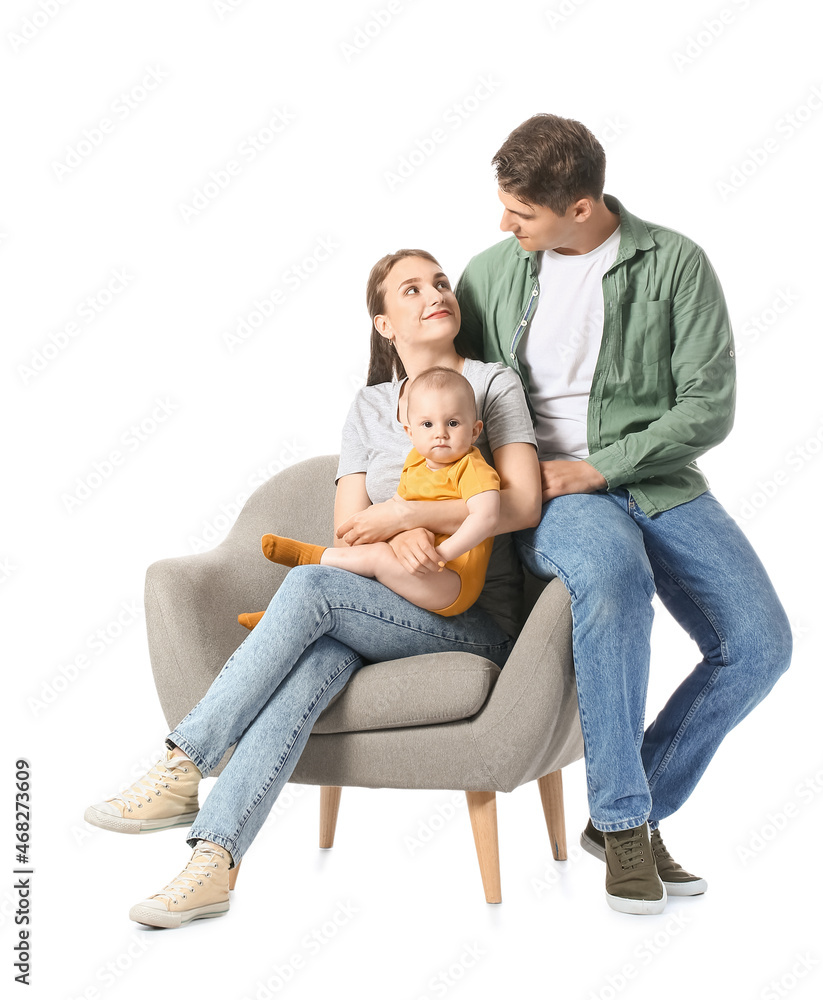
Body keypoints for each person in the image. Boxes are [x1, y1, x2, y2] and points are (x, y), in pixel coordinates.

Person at [84, 249, 540, 928]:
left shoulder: (491, 385)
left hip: (467, 614)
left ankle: (184, 762)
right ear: (385, 324)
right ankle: (214, 862)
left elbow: (520, 504)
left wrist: (409, 514)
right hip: (383, 604)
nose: (434, 294)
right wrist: (389, 539)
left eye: (440, 282)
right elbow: (349, 530)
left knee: (312, 588)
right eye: (410, 289)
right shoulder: (369, 408)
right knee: (314, 661)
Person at [455, 114, 792, 915]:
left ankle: (627, 813)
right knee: (612, 579)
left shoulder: (673, 263)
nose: (505, 226)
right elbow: (452, 393)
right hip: (548, 496)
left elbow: (707, 407)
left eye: (521, 214)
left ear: (580, 207)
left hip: (657, 481)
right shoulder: (487, 273)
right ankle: (623, 819)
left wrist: (603, 464)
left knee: (759, 644)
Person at [240, 366, 501, 619]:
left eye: (453, 423)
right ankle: (279, 616)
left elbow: (486, 517)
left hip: (452, 581)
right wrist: (382, 525)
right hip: (419, 565)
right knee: (365, 567)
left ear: (475, 431)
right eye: (428, 424)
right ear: (410, 433)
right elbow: (397, 504)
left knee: (377, 557)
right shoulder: (415, 463)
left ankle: (310, 557)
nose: (440, 434)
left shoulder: (471, 467)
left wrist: (444, 554)